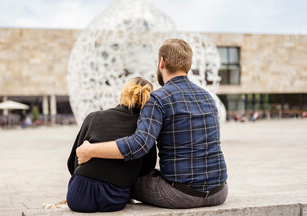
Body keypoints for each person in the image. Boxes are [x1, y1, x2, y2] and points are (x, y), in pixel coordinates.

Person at [76, 38, 228, 209]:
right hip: (219, 192)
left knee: (125, 180)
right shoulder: (208, 98)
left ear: (161, 63)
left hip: (181, 195)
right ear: (188, 65)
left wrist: (91, 150)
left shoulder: (158, 99)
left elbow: (139, 145)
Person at [66, 77, 157, 212]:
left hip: (78, 195)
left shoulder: (93, 117)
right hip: (114, 197)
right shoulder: (144, 131)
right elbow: (147, 167)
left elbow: (73, 161)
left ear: (123, 94)